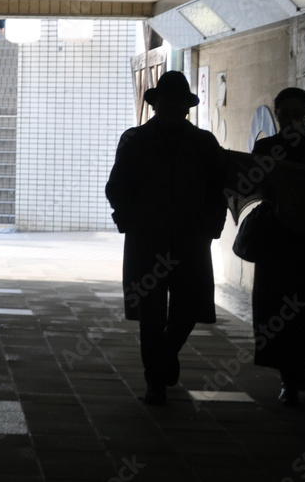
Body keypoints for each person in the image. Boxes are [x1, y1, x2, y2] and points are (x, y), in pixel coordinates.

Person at [105, 70, 227, 405]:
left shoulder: (204, 143)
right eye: (165, 100)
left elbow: (218, 190)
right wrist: (129, 220)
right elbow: (117, 187)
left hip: (191, 239)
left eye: (177, 101)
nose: (171, 106)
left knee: (188, 308)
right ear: (155, 104)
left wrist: (211, 228)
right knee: (151, 312)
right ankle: (154, 382)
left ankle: (166, 353)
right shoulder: (135, 140)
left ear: (187, 107)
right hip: (148, 239)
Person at [249, 87, 305, 406]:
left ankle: (299, 363)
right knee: (275, 306)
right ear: (278, 115)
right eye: (284, 113)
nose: (290, 119)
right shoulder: (267, 147)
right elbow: (252, 186)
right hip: (276, 240)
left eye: (296, 113)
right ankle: (289, 374)